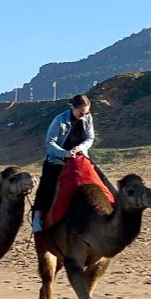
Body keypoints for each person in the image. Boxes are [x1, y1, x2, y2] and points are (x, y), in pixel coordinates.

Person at [31, 94, 95, 235]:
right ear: (73, 108)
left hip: (79, 157)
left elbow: (90, 138)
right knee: (47, 183)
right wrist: (65, 153)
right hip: (58, 158)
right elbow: (49, 143)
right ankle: (37, 217)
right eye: (81, 113)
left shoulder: (88, 118)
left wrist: (80, 148)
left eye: (87, 113)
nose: (84, 116)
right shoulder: (59, 121)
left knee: (98, 177)